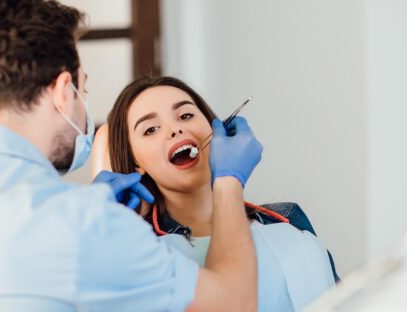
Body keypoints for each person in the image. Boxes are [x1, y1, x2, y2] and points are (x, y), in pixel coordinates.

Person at [0, 1, 263, 311]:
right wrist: (228, 180)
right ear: (62, 91)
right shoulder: (82, 223)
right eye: (83, 91)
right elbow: (234, 303)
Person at [104, 76, 337, 311]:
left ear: (214, 128)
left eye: (185, 115)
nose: (175, 129)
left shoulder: (288, 218)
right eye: (151, 129)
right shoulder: (139, 253)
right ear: (136, 162)